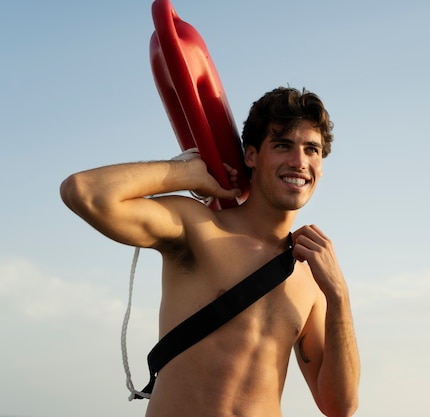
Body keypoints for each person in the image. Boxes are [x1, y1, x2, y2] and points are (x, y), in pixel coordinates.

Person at [60, 87, 360, 417]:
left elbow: (339, 406)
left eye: (311, 150)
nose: (299, 161)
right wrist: (185, 173)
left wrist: (339, 295)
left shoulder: (311, 278)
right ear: (251, 156)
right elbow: (83, 192)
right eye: (282, 145)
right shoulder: (197, 227)